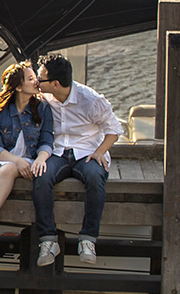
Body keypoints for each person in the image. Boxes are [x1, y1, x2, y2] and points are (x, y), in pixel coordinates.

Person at [29, 53, 123, 267]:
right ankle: (48, 240)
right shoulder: (44, 97)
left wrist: (100, 152)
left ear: (55, 84)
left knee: (94, 177)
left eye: (40, 78)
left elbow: (114, 129)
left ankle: (88, 239)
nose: (36, 81)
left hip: (87, 152)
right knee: (41, 177)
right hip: (58, 152)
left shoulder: (90, 99)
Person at [0, 61, 52, 255]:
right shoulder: (0, 111)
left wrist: (40, 158)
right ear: (18, 86)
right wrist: (16, 160)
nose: (36, 82)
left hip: (28, 159)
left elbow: (47, 140)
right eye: (31, 79)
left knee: (6, 170)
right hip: (8, 157)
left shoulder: (43, 108)